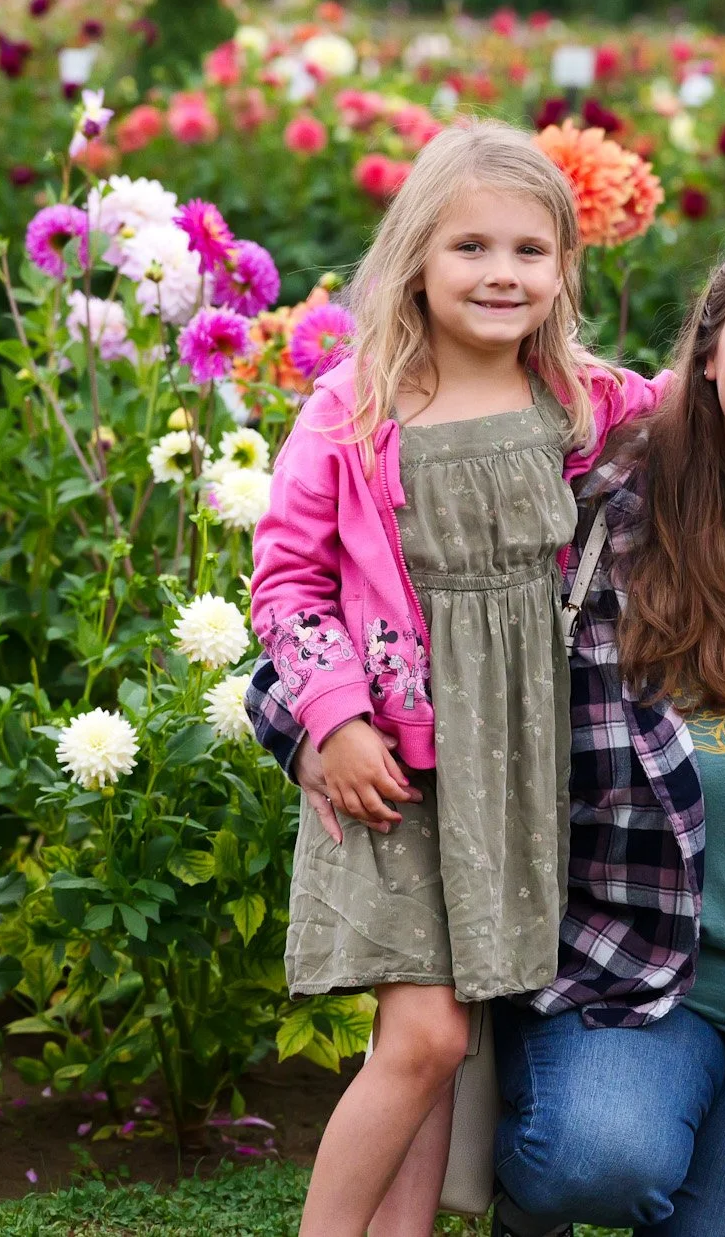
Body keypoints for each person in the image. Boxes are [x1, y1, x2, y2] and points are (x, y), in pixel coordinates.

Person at [251, 211, 725, 1235]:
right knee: (596, 1157)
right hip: (624, 990)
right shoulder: (600, 514)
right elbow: (359, 621)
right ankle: (544, 1169)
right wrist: (320, 731)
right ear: (712, 346)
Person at [248, 121, 663, 1237]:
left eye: (530, 251)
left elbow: (703, 416)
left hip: (514, 765)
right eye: (470, 247)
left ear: (564, 269)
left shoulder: (581, 404)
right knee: (426, 1037)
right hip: (387, 768)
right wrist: (330, 719)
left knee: (440, 1042)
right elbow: (286, 582)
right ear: (418, 255)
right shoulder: (358, 407)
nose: (501, 274)